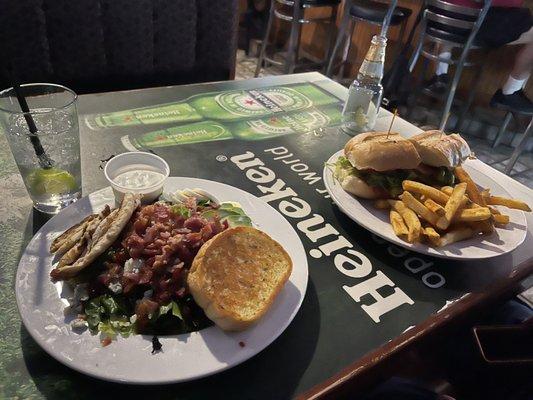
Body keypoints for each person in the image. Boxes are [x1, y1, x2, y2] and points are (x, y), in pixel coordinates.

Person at [426, 1, 533, 113]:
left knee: (456, 12)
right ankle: (510, 92)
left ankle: (440, 75)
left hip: (436, 16)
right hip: (472, 22)